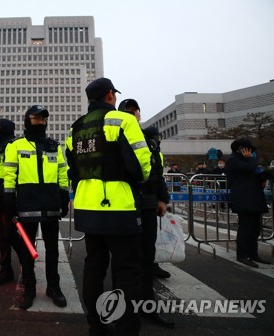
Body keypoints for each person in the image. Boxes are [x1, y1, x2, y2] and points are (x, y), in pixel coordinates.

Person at [65, 78, 151, 336]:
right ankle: (126, 328)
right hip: (119, 208)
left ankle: (96, 326)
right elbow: (140, 164)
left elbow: (74, 169)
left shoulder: (75, 129)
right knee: (127, 271)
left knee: (94, 267)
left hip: (87, 207)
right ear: (110, 95)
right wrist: (137, 182)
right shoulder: (124, 121)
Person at [4, 105, 69, 310]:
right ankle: (29, 288)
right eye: (35, 118)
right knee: (26, 249)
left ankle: (54, 287)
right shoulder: (15, 146)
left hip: (50, 203)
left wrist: (64, 194)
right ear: (27, 120)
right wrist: (8, 198)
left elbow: (62, 171)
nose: (40, 122)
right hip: (26, 204)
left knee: (52, 250)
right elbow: (9, 174)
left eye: (43, 119)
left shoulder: (53, 146)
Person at [118, 99, 174, 328]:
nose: (132, 115)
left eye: (134, 112)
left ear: (139, 115)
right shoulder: (117, 138)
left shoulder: (149, 141)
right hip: (126, 204)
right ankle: (122, 309)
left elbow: (157, 173)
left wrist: (163, 199)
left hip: (149, 202)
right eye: (127, 112)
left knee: (146, 256)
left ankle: (147, 305)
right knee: (125, 259)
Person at [0, 118, 32, 287]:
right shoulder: (2, 149)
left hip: (9, 200)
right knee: (3, 236)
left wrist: (11, 199)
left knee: (10, 234)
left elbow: (15, 175)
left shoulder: (13, 147)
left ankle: (27, 266)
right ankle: (6, 269)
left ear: (2, 131)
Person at [225, 138, 270, 268]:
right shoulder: (234, 160)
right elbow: (250, 168)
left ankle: (253, 253)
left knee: (255, 228)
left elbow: (254, 171)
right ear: (241, 149)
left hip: (254, 197)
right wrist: (251, 159)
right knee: (246, 228)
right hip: (244, 199)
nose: (251, 152)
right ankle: (243, 254)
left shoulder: (246, 161)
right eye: (249, 149)